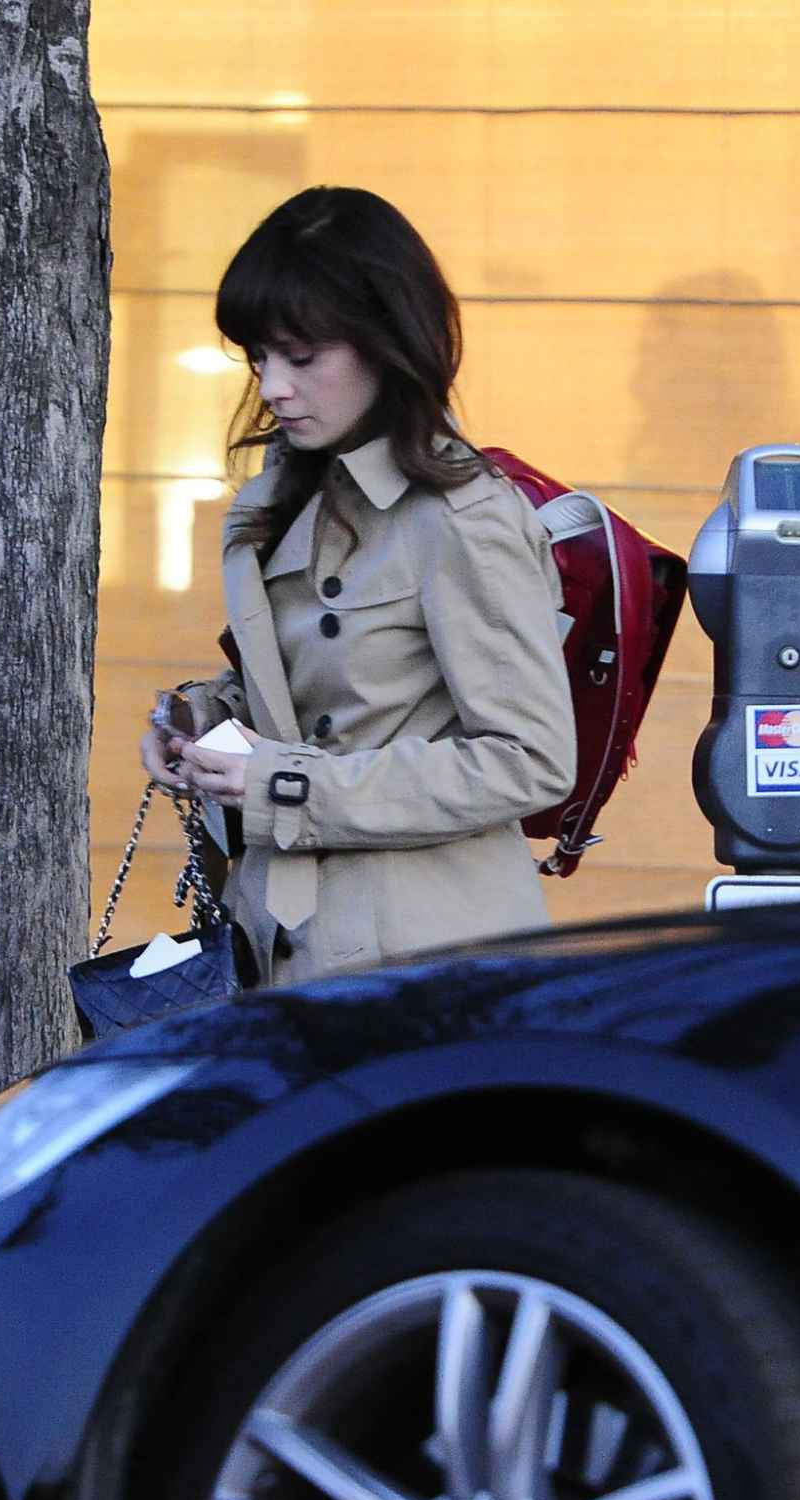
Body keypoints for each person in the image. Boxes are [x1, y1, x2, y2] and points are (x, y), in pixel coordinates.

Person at [140, 186, 576, 987]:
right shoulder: (286, 498)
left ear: (385, 341)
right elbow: (325, 694)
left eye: (301, 357)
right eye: (258, 358)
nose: (272, 386)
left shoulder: (461, 516)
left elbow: (532, 760)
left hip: (425, 958)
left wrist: (283, 781)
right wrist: (205, 718)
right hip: (283, 934)